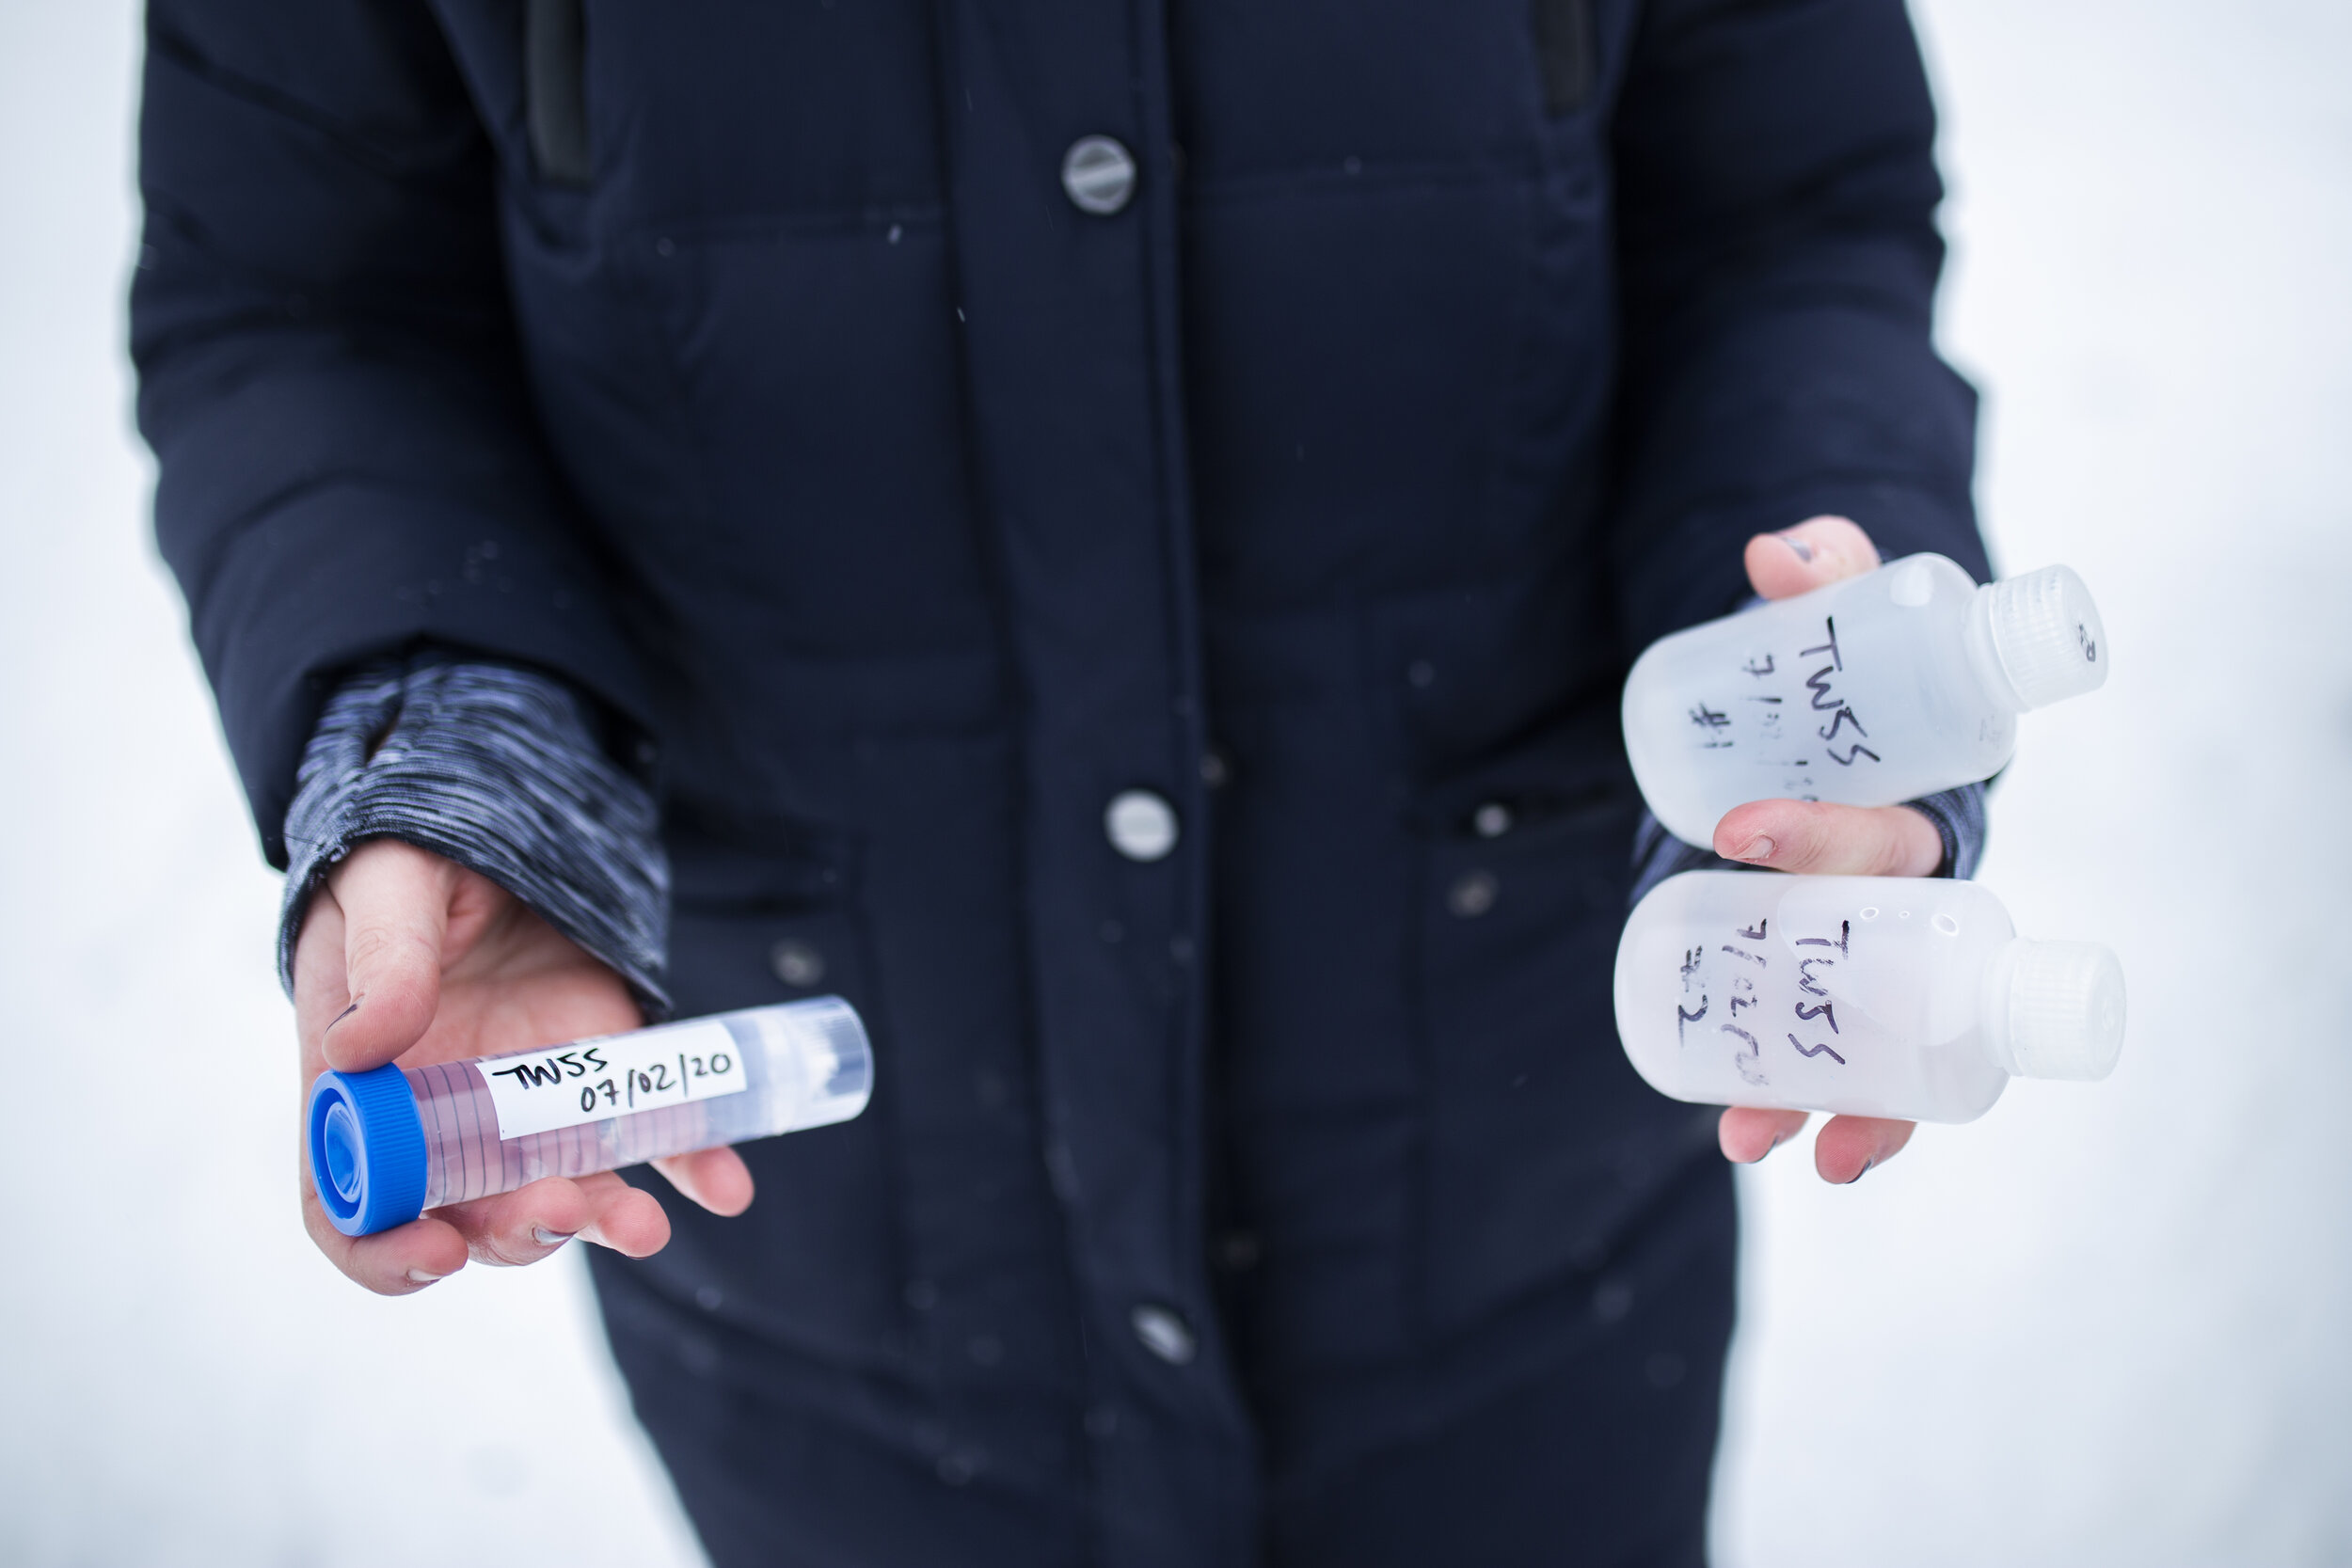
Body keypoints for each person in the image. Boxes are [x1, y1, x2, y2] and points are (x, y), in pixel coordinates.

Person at [133, 1, 1989, 1561]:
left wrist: (1804, 690)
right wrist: (467, 753)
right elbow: (311, 309)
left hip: (1516, 1218)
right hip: (851, 1296)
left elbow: (1779, 221)